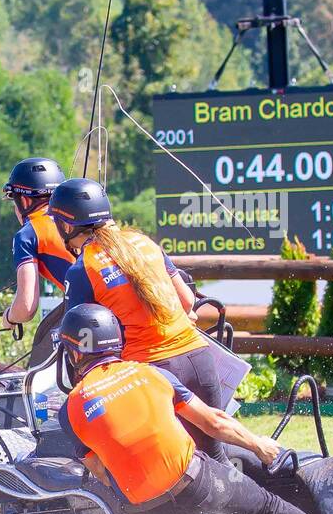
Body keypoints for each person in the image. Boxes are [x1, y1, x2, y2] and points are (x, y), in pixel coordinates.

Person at [56, 304, 333, 514]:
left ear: (74, 353)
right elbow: (213, 422)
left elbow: (100, 471)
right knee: (270, 507)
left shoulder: (69, 409)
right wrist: (258, 445)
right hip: (196, 482)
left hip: (142, 508)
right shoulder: (152, 375)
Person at [50, 177, 225, 460]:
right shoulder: (144, 243)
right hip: (199, 358)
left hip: (152, 370)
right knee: (215, 458)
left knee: (167, 463)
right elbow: (187, 302)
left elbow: (79, 342)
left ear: (67, 225)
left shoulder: (82, 269)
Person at [2, 157, 72, 351]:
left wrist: (9, 317)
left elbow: (25, 308)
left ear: (23, 200)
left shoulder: (27, 234)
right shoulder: (81, 218)